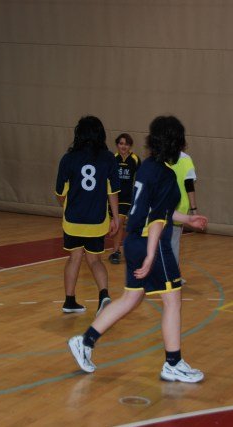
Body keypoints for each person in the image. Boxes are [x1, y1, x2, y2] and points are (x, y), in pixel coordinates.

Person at [68, 116, 208, 383]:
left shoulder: (146, 167)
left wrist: (187, 219)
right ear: (176, 143)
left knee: (130, 298)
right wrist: (152, 254)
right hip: (150, 243)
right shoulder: (166, 175)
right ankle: (173, 363)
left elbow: (157, 210)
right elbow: (156, 220)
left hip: (133, 240)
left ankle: (85, 342)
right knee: (173, 301)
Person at [55, 116, 120, 315]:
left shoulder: (68, 159)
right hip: (97, 220)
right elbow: (112, 191)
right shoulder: (108, 158)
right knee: (95, 260)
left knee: (74, 258)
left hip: (73, 220)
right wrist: (116, 218)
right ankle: (104, 296)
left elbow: (60, 193)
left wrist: (68, 205)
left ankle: (69, 301)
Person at [108, 133, 140, 265]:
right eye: (121, 143)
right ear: (117, 145)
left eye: (126, 144)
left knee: (118, 223)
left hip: (126, 198)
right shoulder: (112, 159)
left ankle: (116, 252)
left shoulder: (135, 159)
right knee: (114, 225)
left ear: (130, 146)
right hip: (112, 197)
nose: (123, 146)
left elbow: (140, 179)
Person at [170, 148, 197, 281]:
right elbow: (189, 185)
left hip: (162, 205)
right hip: (179, 207)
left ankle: (170, 275)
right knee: (173, 242)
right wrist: (194, 209)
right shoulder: (186, 159)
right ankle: (174, 276)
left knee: (162, 240)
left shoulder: (160, 156)